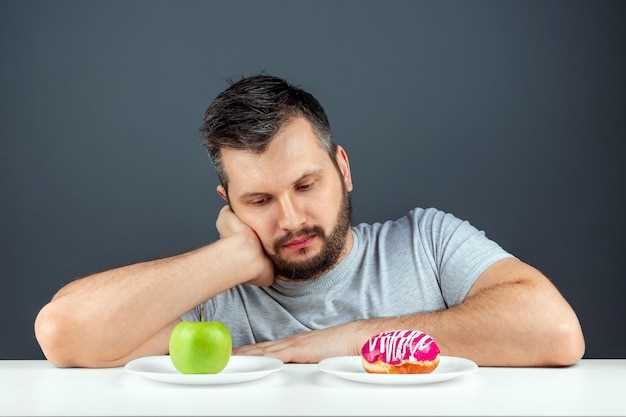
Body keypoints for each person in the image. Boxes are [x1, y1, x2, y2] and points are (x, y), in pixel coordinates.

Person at [34, 74, 585, 368]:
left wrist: (347, 340)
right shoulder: (212, 297)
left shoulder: (428, 242)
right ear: (228, 203)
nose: (291, 218)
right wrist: (232, 257)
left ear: (342, 168)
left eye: (305, 185)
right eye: (259, 200)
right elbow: (62, 332)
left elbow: (554, 331)